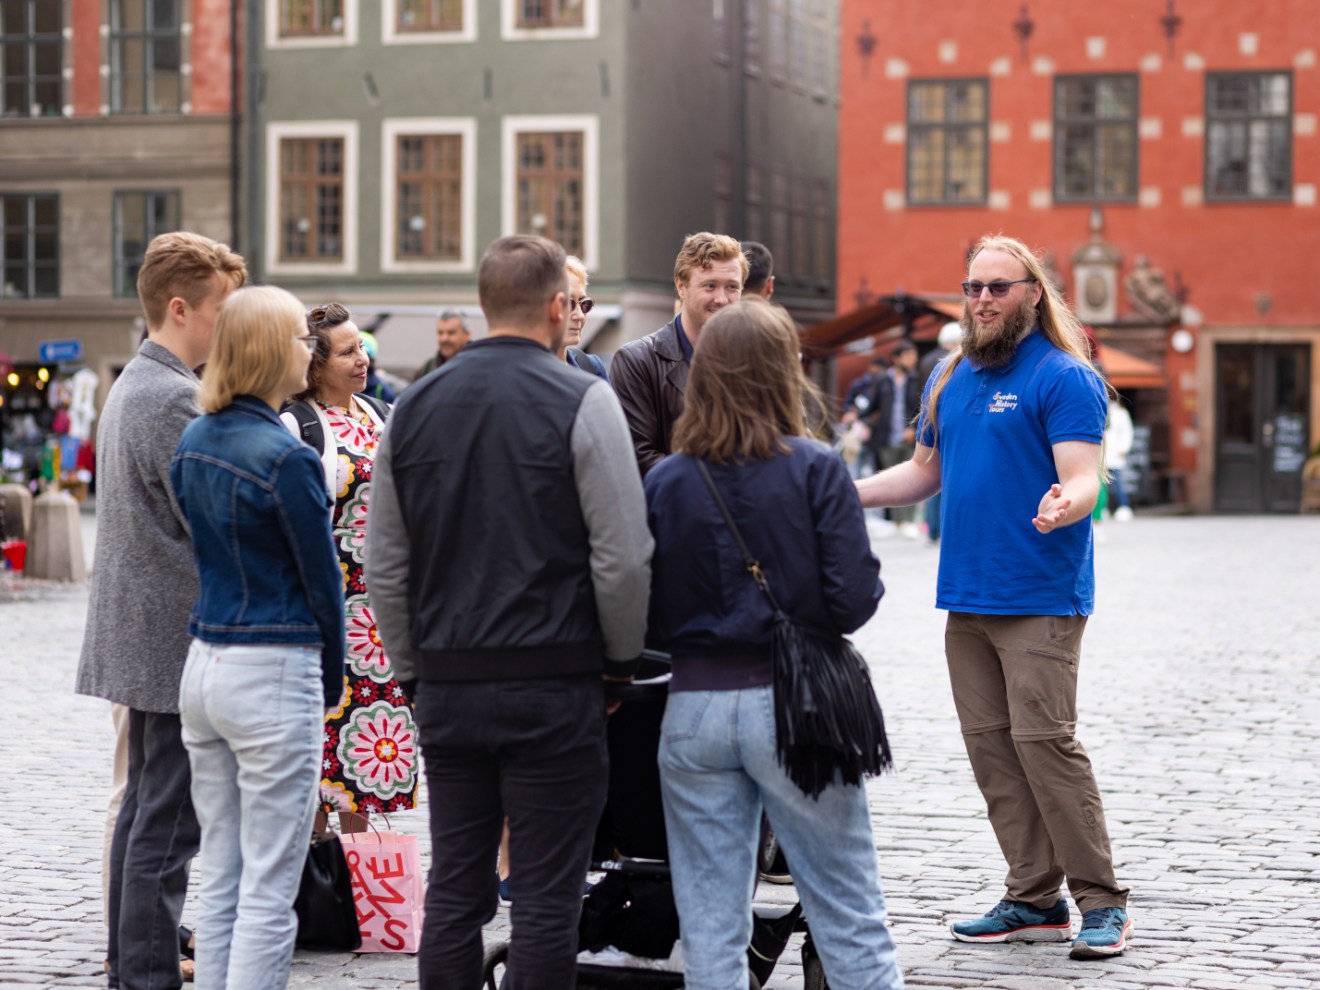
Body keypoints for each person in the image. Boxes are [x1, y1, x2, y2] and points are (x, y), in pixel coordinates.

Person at [366, 234, 653, 989]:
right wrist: (618, 664)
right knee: (546, 898)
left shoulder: (413, 404)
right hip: (556, 682)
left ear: (482, 306)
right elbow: (622, 557)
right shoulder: (584, 398)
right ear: (559, 307)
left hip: (451, 684)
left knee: (456, 888)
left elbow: (384, 564)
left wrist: (412, 672)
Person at [855, 234, 1131, 959]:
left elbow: (1083, 476)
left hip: (1039, 593)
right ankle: (1033, 897)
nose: (982, 299)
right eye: (973, 287)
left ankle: (1102, 902)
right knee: (992, 753)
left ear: (1033, 294)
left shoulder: (1064, 377)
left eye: (998, 287)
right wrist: (837, 491)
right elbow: (922, 473)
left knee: (1046, 746)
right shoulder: (948, 375)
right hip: (967, 598)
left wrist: (1062, 505)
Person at [644, 300, 903, 990]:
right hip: (798, 709)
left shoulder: (667, 479)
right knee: (848, 911)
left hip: (694, 705)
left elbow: (646, 604)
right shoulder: (817, 467)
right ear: (785, 372)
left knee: (709, 928)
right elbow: (855, 601)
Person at [76, 230, 247, 990]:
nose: (229, 328)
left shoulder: (139, 385)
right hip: (168, 640)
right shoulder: (172, 395)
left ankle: (131, 963)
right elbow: (208, 521)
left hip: (145, 635)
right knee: (166, 825)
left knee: (150, 813)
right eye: (222, 311)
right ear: (180, 309)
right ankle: (144, 973)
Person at [170, 285, 345, 990]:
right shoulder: (286, 456)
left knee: (223, 870)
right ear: (275, 350)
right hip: (274, 665)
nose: (312, 350)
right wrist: (330, 681)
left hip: (206, 661)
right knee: (271, 883)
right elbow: (322, 581)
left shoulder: (194, 440)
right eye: (304, 340)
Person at [281, 304, 419, 834]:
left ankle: (360, 883)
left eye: (361, 347)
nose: (361, 360)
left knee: (364, 753)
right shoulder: (297, 423)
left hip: (380, 613)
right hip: (327, 606)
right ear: (315, 364)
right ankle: (316, 879)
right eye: (347, 352)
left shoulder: (381, 414)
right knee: (319, 749)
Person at [610, 232, 746, 476]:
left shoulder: (757, 359)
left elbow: (790, 437)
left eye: (732, 287)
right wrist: (719, 483)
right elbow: (638, 457)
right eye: (710, 285)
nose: (722, 299)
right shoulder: (638, 361)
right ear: (681, 287)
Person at [866, 340, 922, 538]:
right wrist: (858, 414)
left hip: (909, 437)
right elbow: (872, 405)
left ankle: (908, 521)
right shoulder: (883, 380)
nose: (912, 360)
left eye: (913, 356)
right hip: (885, 437)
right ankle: (896, 522)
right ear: (896, 359)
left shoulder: (917, 379)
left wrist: (914, 428)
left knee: (913, 478)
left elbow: (922, 407)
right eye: (908, 356)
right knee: (891, 478)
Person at [918, 321, 963, 544]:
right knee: (945, 480)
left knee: (930, 475)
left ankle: (932, 529)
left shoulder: (926, 361)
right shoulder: (956, 364)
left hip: (928, 422)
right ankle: (943, 529)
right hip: (953, 425)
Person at [561, 254, 608, 379]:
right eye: (567, 303)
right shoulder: (517, 369)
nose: (580, 316)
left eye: (584, 304)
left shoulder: (592, 366)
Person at [413, 309, 471, 381]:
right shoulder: (428, 368)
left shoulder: (475, 366)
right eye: (440, 333)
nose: (444, 339)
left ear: (467, 335)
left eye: (451, 333)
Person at [1104, 398, 1135, 521]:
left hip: (1116, 454)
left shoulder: (1121, 413)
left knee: (1119, 483)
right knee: (1102, 485)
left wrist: (1123, 449)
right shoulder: (1100, 410)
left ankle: (1123, 507)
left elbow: (1127, 432)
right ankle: (1103, 508)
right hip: (1102, 455)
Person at [360, 330, 399, 403]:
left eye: (365, 354)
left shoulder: (384, 393)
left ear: (372, 360)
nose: (360, 360)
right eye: (348, 352)